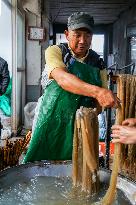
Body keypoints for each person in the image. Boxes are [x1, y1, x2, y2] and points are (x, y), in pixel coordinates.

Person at [24, 12, 120, 163]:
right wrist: (98, 91)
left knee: (80, 167)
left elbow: (99, 104)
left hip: (82, 125)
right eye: (77, 35)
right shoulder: (56, 51)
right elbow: (63, 79)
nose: (82, 41)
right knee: (41, 165)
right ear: (67, 34)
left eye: (87, 35)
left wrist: (95, 109)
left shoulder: (98, 63)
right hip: (51, 121)